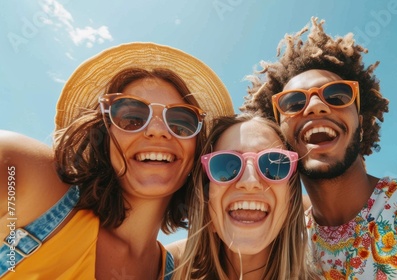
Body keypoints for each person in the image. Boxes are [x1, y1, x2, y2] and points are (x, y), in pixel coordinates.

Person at [241, 17, 397, 279]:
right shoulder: (286, 240)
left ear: (361, 124)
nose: (316, 106)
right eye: (293, 102)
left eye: (337, 95)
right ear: (280, 136)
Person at [0, 42, 233, 279]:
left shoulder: (181, 271)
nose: (157, 130)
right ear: (104, 137)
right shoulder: (26, 178)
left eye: (181, 123)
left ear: (198, 152)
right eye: (132, 118)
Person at [170, 114, 313, 280]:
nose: (250, 181)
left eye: (273, 166)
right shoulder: (165, 270)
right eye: (225, 165)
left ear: (290, 199)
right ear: (206, 199)